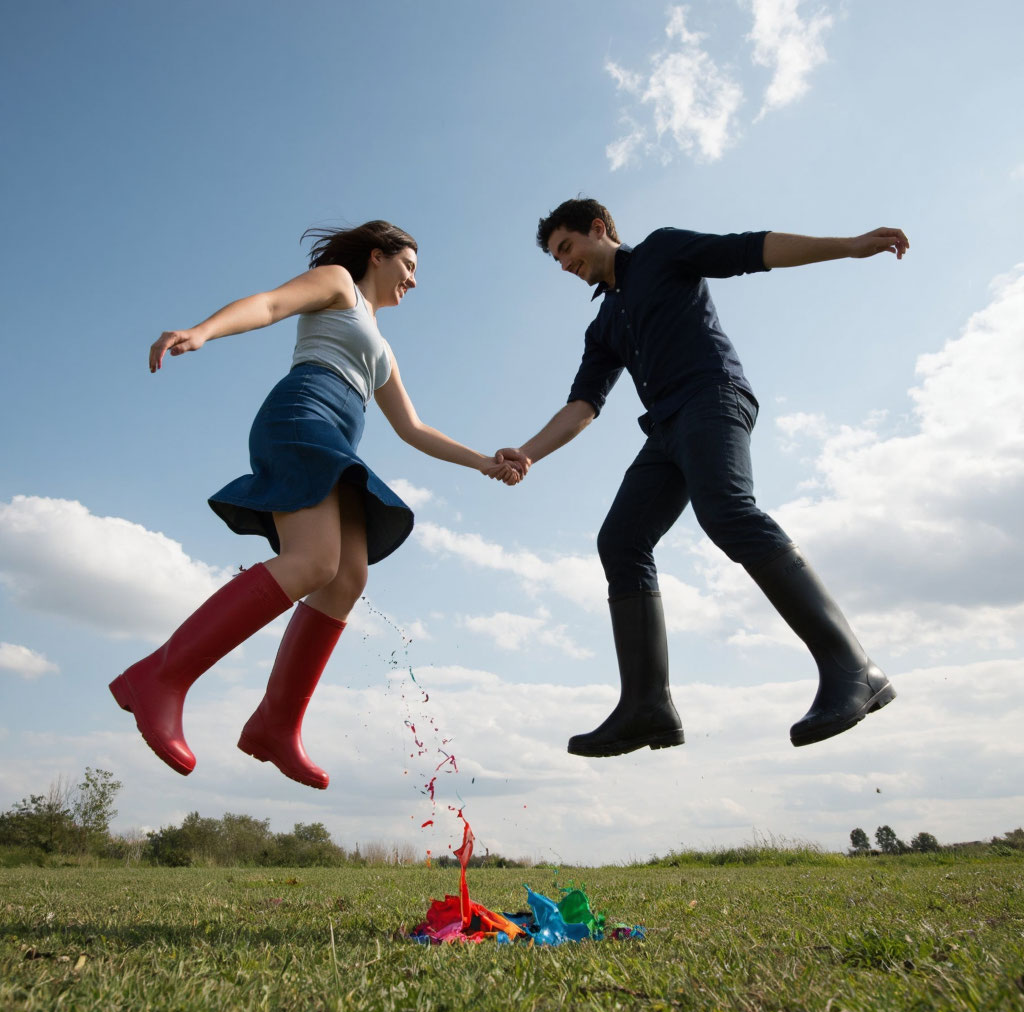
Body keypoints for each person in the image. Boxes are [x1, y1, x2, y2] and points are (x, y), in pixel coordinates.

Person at [110, 220, 523, 789]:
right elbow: (272, 304)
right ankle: (160, 677)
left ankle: (276, 724)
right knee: (312, 561)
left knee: (347, 576)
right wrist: (204, 331)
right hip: (300, 417)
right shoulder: (338, 284)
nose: (413, 280)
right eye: (408, 266)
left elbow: (413, 428)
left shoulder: (382, 348)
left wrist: (483, 461)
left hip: (336, 440)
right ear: (376, 256)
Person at [496, 198, 907, 757]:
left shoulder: (663, 251)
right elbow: (583, 405)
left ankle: (854, 670)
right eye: (556, 259)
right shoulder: (604, 323)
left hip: (712, 397)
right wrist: (526, 454)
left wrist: (848, 246)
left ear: (598, 229)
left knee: (727, 511)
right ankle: (647, 707)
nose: (564, 264)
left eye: (566, 248)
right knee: (621, 540)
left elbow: (752, 250)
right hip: (665, 428)